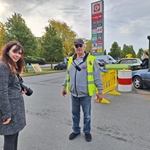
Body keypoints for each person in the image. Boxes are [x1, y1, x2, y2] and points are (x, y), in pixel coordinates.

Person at [61, 39, 103, 142]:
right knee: (75, 114)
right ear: (74, 48)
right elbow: (68, 75)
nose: (79, 47)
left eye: (80, 45)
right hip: (74, 94)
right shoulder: (71, 60)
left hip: (86, 94)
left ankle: (87, 131)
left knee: (87, 115)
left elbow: (97, 77)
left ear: (84, 47)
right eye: (76, 46)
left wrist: (100, 91)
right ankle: (76, 130)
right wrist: (64, 87)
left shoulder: (91, 60)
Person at [0, 41, 27, 150]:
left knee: (14, 135)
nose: (17, 55)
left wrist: (20, 90)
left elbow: (11, 85)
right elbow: (2, 91)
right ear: (7, 52)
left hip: (15, 109)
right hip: (10, 109)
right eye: (15, 52)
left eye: (20, 53)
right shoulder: (3, 66)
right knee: (10, 139)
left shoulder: (10, 65)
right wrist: (6, 114)